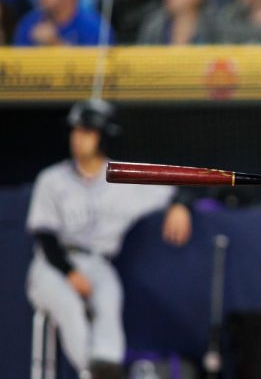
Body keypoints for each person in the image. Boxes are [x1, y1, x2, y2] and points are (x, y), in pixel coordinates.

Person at [25, 99, 192, 379]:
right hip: (52, 265)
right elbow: (44, 235)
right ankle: (93, 372)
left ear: (103, 137)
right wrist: (69, 272)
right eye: (76, 131)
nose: (78, 138)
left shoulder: (124, 178)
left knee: (109, 297)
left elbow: (179, 186)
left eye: (87, 132)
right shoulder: (52, 179)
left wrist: (180, 205)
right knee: (70, 307)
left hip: (98, 263)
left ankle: (107, 369)